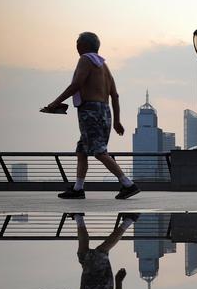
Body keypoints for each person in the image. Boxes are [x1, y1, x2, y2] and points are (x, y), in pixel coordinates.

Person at [41, 32, 140, 200]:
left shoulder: (85, 60)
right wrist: (116, 120)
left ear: (85, 46)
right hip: (104, 111)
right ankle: (78, 188)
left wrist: (55, 103)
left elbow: (76, 84)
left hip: (90, 110)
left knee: (99, 151)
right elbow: (114, 95)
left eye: (78, 43)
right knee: (82, 150)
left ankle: (128, 184)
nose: (76, 46)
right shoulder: (104, 66)